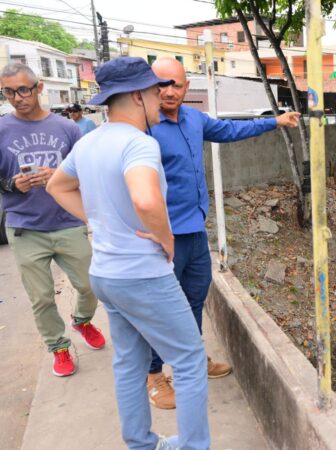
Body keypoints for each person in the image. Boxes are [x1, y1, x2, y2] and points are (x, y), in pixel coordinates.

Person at [47, 56, 209, 450]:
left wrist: (98, 219)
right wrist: (166, 239)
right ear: (137, 96)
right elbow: (146, 200)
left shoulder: (89, 142)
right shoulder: (140, 142)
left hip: (107, 275)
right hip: (143, 274)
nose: (161, 99)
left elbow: (57, 186)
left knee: (129, 363)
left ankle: (141, 443)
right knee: (189, 361)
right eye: (156, 91)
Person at [144, 57, 300, 409]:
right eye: (161, 84)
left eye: (176, 84)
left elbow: (230, 131)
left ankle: (194, 360)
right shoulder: (144, 126)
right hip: (163, 236)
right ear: (150, 87)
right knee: (162, 307)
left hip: (195, 230)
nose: (169, 91)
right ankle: (154, 375)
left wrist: (274, 121)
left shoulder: (194, 119)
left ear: (187, 88)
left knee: (195, 298)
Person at [0, 63, 105, 377]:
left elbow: (89, 172)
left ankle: (82, 320)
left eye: (23, 89)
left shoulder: (67, 128)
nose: (17, 97)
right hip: (24, 226)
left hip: (68, 220)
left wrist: (59, 177)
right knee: (42, 297)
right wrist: (10, 185)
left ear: (39, 87)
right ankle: (59, 347)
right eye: (8, 92)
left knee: (91, 285)